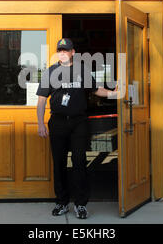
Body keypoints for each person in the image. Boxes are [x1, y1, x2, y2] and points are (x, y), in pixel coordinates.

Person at [36, 38, 118, 219]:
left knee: (80, 162)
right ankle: (62, 202)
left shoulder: (82, 70)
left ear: (73, 52)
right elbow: (42, 99)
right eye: (60, 50)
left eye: (66, 50)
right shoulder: (51, 72)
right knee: (59, 163)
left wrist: (115, 93)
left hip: (79, 122)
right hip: (57, 122)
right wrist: (41, 123)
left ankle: (80, 204)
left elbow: (97, 90)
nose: (63, 52)